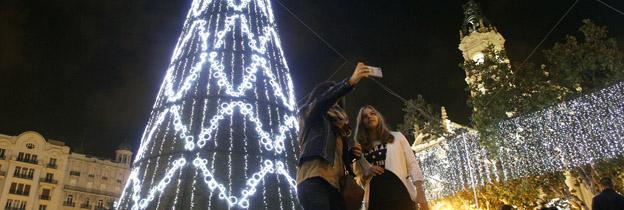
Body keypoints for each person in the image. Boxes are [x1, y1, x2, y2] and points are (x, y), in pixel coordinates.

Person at [296, 62, 371, 210]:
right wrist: (350, 82)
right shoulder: (310, 113)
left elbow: (336, 158)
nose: (335, 100)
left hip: (337, 186)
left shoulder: (339, 126)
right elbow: (321, 102)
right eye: (331, 94)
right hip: (314, 179)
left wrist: (350, 155)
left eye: (337, 98)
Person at [352, 105, 428, 210]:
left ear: (378, 117)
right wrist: (367, 173)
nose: (369, 117)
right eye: (365, 116)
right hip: (376, 201)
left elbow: (412, 164)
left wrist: (420, 191)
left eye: (372, 113)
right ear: (361, 123)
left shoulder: (397, 137)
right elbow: (358, 180)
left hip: (401, 195)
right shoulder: (360, 150)